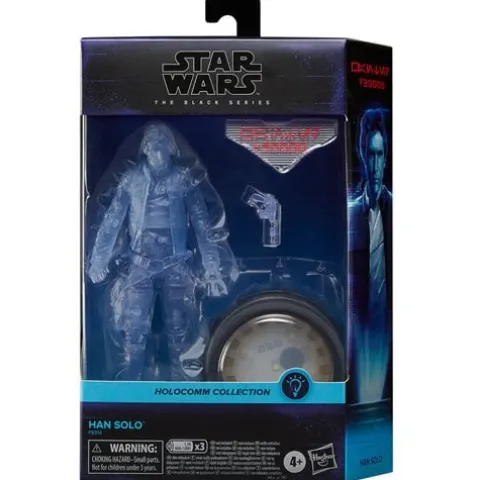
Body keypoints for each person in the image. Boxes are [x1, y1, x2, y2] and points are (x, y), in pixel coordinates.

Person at [88, 123, 237, 381]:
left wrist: (212, 268)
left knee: (180, 330)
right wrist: (98, 261)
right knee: (133, 329)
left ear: (171, 148)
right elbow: (112, 222)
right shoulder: (132, 180)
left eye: (161, 142)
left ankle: (183, 382)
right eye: (152, 142)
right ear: (144, 148)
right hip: (140, 263)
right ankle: (130, 382)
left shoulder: (183, 179)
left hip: (176, 264)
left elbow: (202, 225)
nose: (156, 147)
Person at [349, 109, 392, 404]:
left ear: (386, 158)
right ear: (362, 156)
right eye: (370, 155)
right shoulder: (350, 214)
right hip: (359, 329)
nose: (375, 165)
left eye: (380, 155)